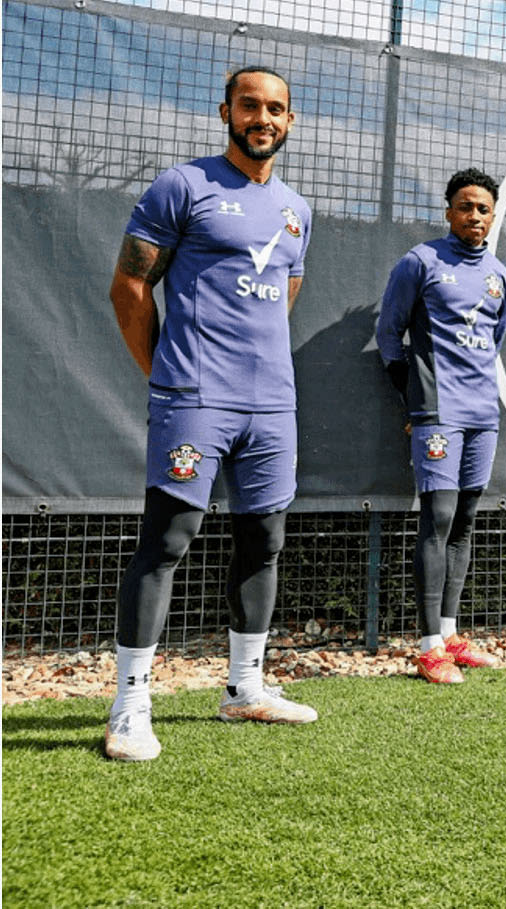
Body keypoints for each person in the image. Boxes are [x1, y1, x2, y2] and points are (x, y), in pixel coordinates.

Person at [103, 67, 318, 762]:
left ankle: (244, 689)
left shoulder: (296, 209)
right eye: (251, 104)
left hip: (272, 405)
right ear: (226, 110)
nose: (264, 116)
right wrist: (166, 373)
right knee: (167, 540)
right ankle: (130, 705)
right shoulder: (183, 186)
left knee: (264, 539)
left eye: (276, 108)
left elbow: (283, 294)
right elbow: (130, 285)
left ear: (290, 120)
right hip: (194, 397)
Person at [376, 168, 506, 684]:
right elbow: (389, 335)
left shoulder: (502, 276)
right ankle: (429, 646)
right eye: (464, 206)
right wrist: (414, 401)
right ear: (448, 211)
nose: (473, 216)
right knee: (437, 518)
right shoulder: (421, 262)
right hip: (436, 413)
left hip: (483, 414)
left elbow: (493, 341)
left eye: (482, 209)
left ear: (493, 215)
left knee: (465, 522)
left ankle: (452, 635)